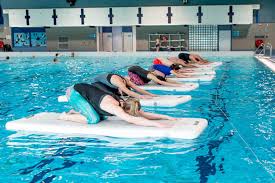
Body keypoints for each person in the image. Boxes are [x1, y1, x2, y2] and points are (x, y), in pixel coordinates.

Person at [59, 83, 175, 128]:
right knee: (94, 119)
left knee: (102, 117)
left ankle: (76, 111)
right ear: (126, 109)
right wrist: (158, 125)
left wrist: (167, 117)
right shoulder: (113, 106)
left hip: (86, 94)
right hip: (74, 93)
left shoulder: (125, 103)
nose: (133, 115)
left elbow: (143, 114)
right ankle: (65, 116)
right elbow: (132, 119)